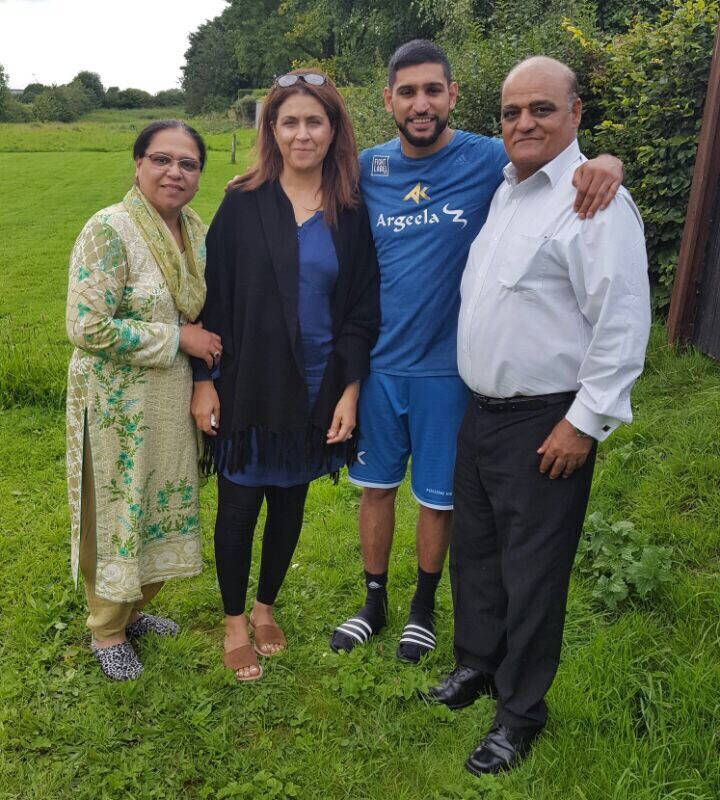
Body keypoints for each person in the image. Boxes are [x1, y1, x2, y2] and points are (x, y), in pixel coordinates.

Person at [330, 39, 625, 663]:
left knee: (438, 499)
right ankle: (374, 600)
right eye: (407, 92)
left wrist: (607, 160)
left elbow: (554, 160)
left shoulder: (489, 157)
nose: (420, 103)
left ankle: (422, 609)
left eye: (433, 90)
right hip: (381, 366)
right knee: (376, 489)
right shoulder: (367, 169)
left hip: (448, 370)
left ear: (452, 95)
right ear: (388, 99)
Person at [428, 56, 651, 775]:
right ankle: (478, 665)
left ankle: (520, 712)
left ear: (576, 114)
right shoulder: (507, 187)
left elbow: (620, 323)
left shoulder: (596, 203)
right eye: (511, 112)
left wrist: (584, 422)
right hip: (482, 411)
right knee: (480, 555)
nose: (524, 123)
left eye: (542, 110)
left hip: (545, 420)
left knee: (533, 573)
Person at [192, 70, 380, 682]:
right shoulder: (243, 201)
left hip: (317, 388)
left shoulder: (350, 211)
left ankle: (266, 606)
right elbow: (210, 301)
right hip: (249, 387)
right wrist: (204, 379)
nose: (303, 133)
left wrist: (349, 391)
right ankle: (233, 623)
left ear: (334, 129)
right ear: (272, 129)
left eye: (315, 121)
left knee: (290, 503)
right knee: (240, 503)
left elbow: (360, 309)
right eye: (290, 121)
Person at [66, 120, 222, 681]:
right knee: (116, 513)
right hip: (114, 408)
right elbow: (85, 326)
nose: (174, 172)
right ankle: (106, 630)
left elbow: (202, 306)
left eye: (187, 164)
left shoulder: (196, 230)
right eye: (162, 159)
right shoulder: (109, 229)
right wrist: (176, 338)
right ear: (137, 165)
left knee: (157, 507)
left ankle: (132, 611)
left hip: (168, 400)